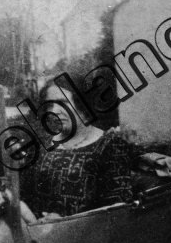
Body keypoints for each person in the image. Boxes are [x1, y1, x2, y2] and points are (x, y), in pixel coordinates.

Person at [18, 77, 143, 219]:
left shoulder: (110, 146)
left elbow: (118, 210)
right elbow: (22, 196)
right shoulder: (41, 145)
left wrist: (63, 223)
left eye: (62, 103)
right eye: (50, 105)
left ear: (83, 104)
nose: (54, 111)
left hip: (85, 232)